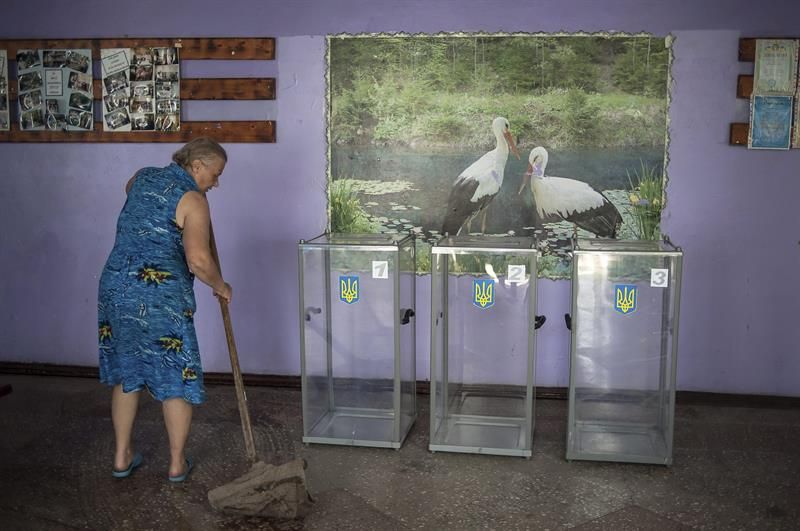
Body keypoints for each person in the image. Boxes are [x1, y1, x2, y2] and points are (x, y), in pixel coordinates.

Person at [98, 137, 232, 482]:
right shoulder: (194, 199)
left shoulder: (141, 177)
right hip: (160, 295)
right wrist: (220, 286)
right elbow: (199, 260)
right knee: (175, 375)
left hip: (117, 286)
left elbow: (131, 190)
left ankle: (121, 456)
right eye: (215, 175)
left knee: (129, 373)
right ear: (197, 166)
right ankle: (175, 463)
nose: (216, 183)